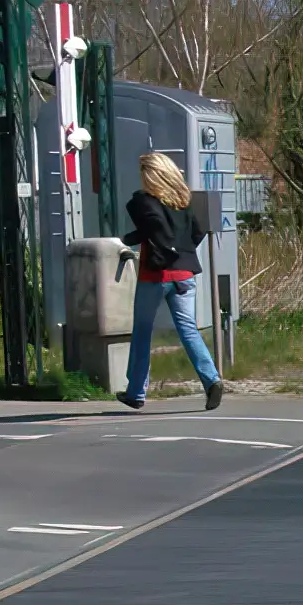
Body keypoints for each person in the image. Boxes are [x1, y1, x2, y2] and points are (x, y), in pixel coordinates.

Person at [119, 151, 224, 411]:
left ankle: (136, 392)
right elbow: (197, 232)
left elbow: (155, 227)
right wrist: (182, 253)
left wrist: (148, 246)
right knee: (188, 329)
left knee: (143, 331)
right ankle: (212, 380)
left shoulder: (145, 201)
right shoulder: (182, 201)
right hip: (185, 275)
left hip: (156, 275)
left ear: (151, 175)